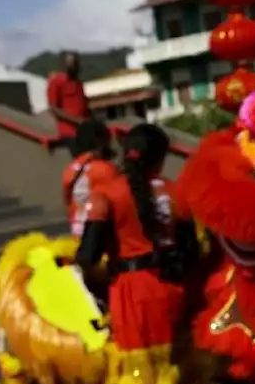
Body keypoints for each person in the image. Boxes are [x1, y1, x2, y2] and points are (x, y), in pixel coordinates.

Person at [75, 123, 196, 352]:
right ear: (160, 158)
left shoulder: (106, 194)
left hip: (130, 296)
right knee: (178, 375)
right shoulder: (176, 192)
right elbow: (192, 253)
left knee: (139, 376)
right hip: (174, 293)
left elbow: (87, 256)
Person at [62, 119, 117, 238]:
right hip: (100, 238)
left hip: (77, 236)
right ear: (100, 141)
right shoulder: (107, 169)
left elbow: (68, 202)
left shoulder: (69, 170)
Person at [46, 51, 90, 146]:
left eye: (74, 63)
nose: (71, 66)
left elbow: (85, 107)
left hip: (83, 132)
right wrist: (77, 120)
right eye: (69, 63)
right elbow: (53, 109)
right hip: (68, 134)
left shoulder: (79, 84)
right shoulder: (57, 81)